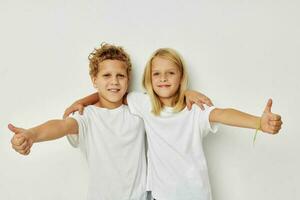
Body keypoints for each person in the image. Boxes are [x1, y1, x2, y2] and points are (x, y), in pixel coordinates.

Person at [64, 48, 282, 200]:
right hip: (159, 196)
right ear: (149, 79)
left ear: (181, 77)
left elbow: (222, 114)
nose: (163, 79)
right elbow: (111, 93)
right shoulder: (143, 104)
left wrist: (258, 123)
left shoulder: (194, 109)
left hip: (195, 195)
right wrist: (82, 102)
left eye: (170, 73)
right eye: (157, 74)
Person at [9, 43, 148, 200]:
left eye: (120, 76)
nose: (114, 81)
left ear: (128, 79)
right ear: (94, 80)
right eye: (107, 75)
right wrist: (32, 134)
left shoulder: (138, 110)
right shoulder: (87, 115)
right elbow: (61, 126)